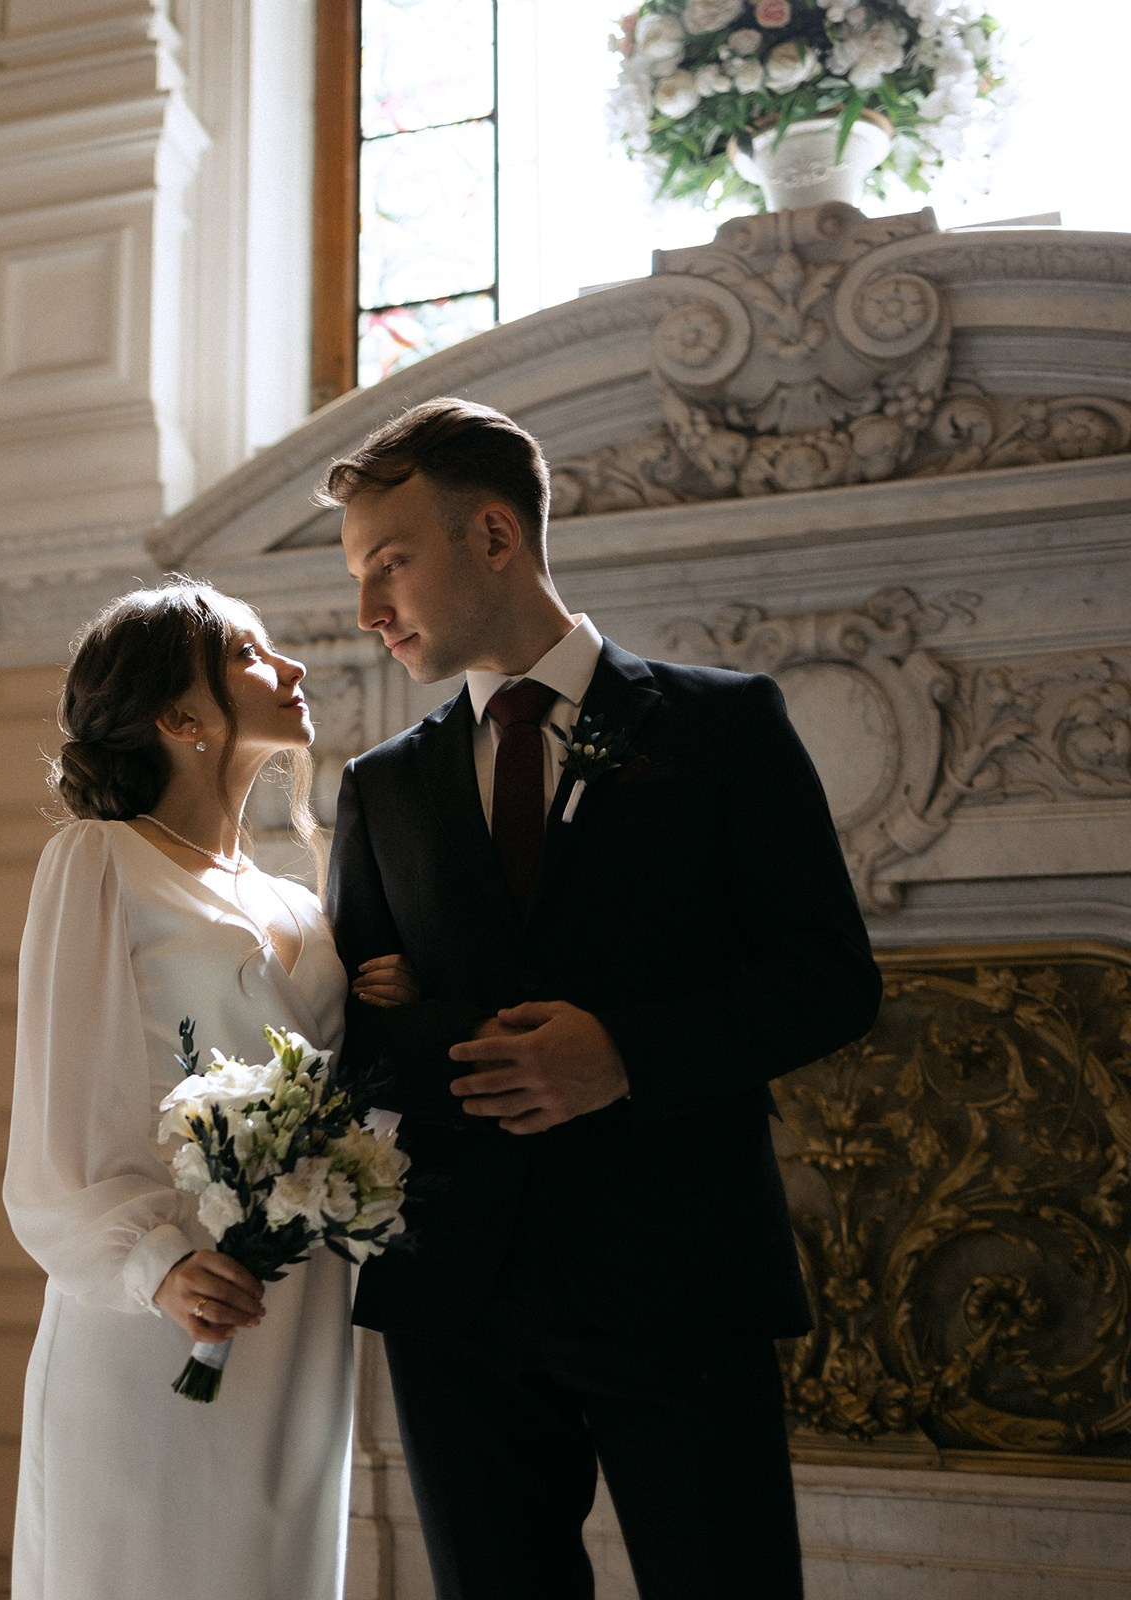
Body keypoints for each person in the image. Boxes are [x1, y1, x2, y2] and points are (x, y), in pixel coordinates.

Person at [321, 398, 882, 1600]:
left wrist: (625, 1052)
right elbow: (359, 1042)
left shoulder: (726, 727)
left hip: (680, 1278)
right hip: (458, 1300)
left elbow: (829, 979)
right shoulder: (382, 790)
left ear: (493, 537)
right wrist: (408, 1023)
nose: (369, 610)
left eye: (389, 564)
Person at [4, 579, 415, 1600]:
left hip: (300, 1317)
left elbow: (349, 1098)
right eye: (248, 655)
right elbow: (60, 1123)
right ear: (181, 719)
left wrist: (394, 1007)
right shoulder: (99, 862)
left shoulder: (296, 901)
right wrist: (157, 1261)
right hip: (159, 1314)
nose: (291, 669)